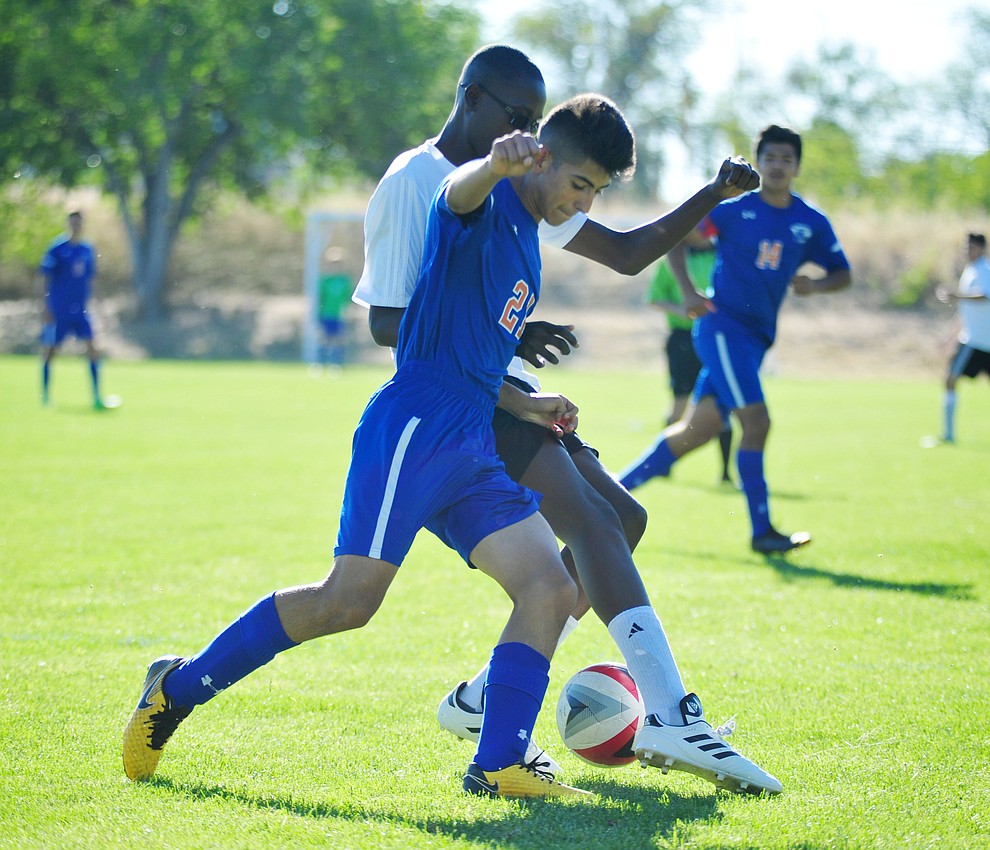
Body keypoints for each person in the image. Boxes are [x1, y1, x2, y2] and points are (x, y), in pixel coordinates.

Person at [122, 93, 652, 801]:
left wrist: (525, 403)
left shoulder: (529, 237)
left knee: (550, 586)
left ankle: (499, 762)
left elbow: (474, 354)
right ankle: (176, 689)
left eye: (598, 192)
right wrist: (491, 165)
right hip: (412, 428)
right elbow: (455, 195)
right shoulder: (483, 202)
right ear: (543, 156)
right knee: (348, 603)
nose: (582, 204)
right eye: (579, 185)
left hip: (470, 440)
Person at [355, 45, 780, 796]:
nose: (528, 133)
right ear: (472, 100)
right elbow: (390, 321)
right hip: (466, 399)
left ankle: (483, 697)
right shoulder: (416, 180)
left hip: (510, 388)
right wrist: (503, 335)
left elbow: (623, 252)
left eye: (534, 120)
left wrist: (712, 192)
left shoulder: (532, 182)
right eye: (518, 117)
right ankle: (671, 715)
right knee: (591, 522)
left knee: (625, 517)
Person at [619, 124, 852, 555]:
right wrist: (688, 291)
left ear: (797, 165)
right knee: (757, 423)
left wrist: (815, 286)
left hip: (755, 340)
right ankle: (762, 532)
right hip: (723, 329)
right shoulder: (731, 211)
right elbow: (676, 237)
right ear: (759, 163)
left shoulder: (809, 222)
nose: (778, 165)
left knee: (697, 431)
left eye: (786, 158)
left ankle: (609, 496)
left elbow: (844, 274)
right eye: (770, 158)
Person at [648, 220, 734, 484]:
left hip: (719, 338)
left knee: (723, 407)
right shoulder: (673, 259)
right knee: (680, 406)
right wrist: (683, 309)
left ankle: (726, 474)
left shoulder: (725, 256)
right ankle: (661, 466)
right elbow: (655, 298)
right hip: (683, 339)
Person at [38, 211, 108, 409]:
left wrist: (97, 304)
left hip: (81, 311)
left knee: (93, 349)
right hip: (59, 310)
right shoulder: (57, 248)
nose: (76, 226)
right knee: (50, 351)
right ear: (68, 224)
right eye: (73, 223)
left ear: (83, 225)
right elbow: (44, 277)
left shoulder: (87, 249)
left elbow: (91, 278)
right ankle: (45, 397)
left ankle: (96, 397)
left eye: (79, 223)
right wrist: (45, 306)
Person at [932, 233, 990, 444]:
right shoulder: (971, 270)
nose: (968, 251)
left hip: (979, 341)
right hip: (973, 339)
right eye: (966, 247)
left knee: (950, 380)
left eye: (972, 247)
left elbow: (984, 295)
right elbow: (967, 312)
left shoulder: (984, 270)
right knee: (950, 380)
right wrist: (949, 334)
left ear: (981, 248)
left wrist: (957, 295)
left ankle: (948, 435)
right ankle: (948, 434)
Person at [316, 246, 353, 367]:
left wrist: (348, 312)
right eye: (333, 263)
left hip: (340, 315)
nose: (335, 266)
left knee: (339, 340)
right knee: (324, 339)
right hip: (327, 314)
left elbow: (348, 299)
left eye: (337, 263)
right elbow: (320, 299)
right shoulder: (325, 281)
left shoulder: (344, 281)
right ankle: (320, 364)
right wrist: (319, 314)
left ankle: (336, 364)